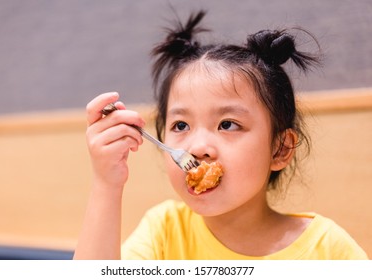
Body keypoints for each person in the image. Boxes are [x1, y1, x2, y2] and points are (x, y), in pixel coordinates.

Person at [74, 11, 368, 260]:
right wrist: (106, 183)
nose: (198, 146)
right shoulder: (164, 231)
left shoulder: (327, 250)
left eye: (227, 124)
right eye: (180, 126)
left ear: (280, 149)